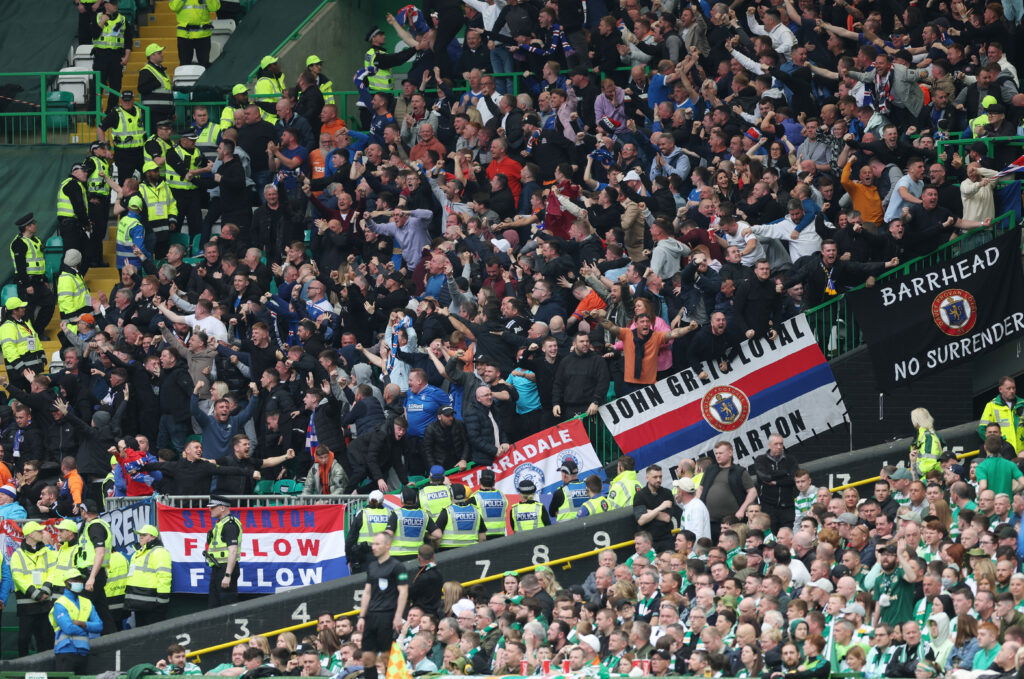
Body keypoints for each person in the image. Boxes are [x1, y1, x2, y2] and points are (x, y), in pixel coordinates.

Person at [356, 532, 409, 679]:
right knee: (367, 657)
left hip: (387, 614)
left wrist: (398, 616)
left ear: (388, 546)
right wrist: (362, 616)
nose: (374, 547)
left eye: (377, 544)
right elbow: (367, 592)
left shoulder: (398, 567)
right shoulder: (372, 566)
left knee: (386, 656)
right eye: (373, 544)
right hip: (371, 615)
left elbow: (403, 592)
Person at [11, 520, 54, 656]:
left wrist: (45, 590)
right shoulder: (18, 554)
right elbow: (17, 577)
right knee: (24, 639)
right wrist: (35, 593)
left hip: (44, 602)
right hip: (27, 604)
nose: (43, 533)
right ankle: (22, 669)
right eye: (39, 531)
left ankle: (47, 670)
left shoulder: (47, 552)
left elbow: (52, 571)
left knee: (45, 639)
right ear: (29, 534)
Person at [698, 441, 757, 539]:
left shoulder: (739, 471)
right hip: (710, 521)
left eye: (720, 453)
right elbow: (700, 488)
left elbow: (752, 492)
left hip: (731, 521)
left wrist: (742, 510)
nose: (717, 456)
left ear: (730, 453)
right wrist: (698, 505)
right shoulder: (710, 470)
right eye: (716, 453)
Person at [9, 214, 55, 340]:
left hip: (39, 281)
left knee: (50, 303)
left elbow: (41, 262)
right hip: (27, 282)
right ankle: (29, 335)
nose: (36, 225)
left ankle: (38, 331)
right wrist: (27, 285)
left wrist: (44, 279)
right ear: (27, 227)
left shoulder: (36, 240)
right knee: (27, 311)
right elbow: (20, 266)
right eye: (33, 224)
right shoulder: (18, 243)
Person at [50, 573, 103, 673]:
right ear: (66, 583)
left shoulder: (87, 602)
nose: (78, 583)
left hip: (83, 652)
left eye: (80, 581)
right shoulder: (60, 603)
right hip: (65, 652)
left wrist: (83, 624)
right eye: (75, 580)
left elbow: (99, 626)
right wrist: (87, 630)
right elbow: (68, 628)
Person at [124, 524, 172, 627]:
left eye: (144, 535)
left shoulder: (159, 552)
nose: (140, 537)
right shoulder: (138, 553)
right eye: (140, 534)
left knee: (154, 634)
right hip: (138, 603)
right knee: (141, 634)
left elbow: (164, 577)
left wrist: (162, 600)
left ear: (153, 537)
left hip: (152, 603)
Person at [92, 0, 134, 111]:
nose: (116, 5)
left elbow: (128, 40)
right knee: (97, 87)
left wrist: (127, 57)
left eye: (116, 3)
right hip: (101, 55)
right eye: (113, 3)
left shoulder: (123, 19)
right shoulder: (97, 17)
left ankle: (111, 112)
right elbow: (93, 35)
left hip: (116, 56)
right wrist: (102, 22)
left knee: (115, 87)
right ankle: (93, 114)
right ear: (106, 4)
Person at [754, 434, 798, 532]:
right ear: (769, 445)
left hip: (787, 506)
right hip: (768, 506)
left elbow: (793, 479)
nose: (779, 447)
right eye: (776, 444)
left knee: (788, 534)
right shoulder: (760, 460)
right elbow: (764, 477)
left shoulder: (790, 460)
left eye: (781, 444)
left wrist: (776, 482)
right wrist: (784, 473)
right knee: (771, 535)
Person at [98, 90, 146, 181]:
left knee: (145, 181)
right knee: (125, 183)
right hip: (123, 154)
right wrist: (105, 148)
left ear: (133, 100)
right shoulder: (115, 113)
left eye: (129, 100)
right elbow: (100, 128)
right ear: (121, 100)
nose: (127, 103)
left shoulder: (140, 111)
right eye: (125, 100)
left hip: (140, 152)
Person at [205, 494, 243, 608]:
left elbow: (233, 550)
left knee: (227, 605)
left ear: (222, 508)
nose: (209, 510)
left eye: (212, 507)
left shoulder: (229, 525)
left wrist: (227, 575)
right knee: (214, 605)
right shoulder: (220, 524)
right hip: (218, 568)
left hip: (225, 569)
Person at [346, 490, 395, 573]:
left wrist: (349, 556)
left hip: (366, 555)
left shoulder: (362, 513)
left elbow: (351, 537)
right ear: (382, 502)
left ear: (369, 500)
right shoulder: (389, 513)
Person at [633, 464, 680, 550]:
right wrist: (660, 508)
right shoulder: (640, 495)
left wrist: (649, 512)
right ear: (647, 478)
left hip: (666, 539)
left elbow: (666, 518)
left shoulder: (667, 493)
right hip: (647, 542)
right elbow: (641, 520)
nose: (658, 480)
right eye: (655, 477)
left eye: (660, 477)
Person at [389, 486, 441, 559]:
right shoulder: (424, 515)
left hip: (397, 555)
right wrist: (427, 537)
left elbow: (389, 534)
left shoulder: (396, 514)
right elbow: (438, 535)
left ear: (402, 500)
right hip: (418, 555)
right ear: (416, 499)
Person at [56, 163, 92, 263]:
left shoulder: (71, 183)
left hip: (71, 225)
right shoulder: (73, 184)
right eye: (83, 171)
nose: (86, 173)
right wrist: (86, 223)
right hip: (71, 225)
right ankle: (65, 277)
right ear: (75, 172)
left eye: (87, 171)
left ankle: (73, 276)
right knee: (72, 255)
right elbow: (79, 207)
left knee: (77, 254)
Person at [978, 377, 1024, 453]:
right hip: (1003, 452)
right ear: (1000, 389)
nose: (1012, 391)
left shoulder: (1022, 404)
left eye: (1013, 388)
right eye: (1008, 388)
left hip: (1022, 452)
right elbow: (982, 430)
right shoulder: (991, 406)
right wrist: (996, 445)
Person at [435, 482, 486, 550]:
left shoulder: (447, 512)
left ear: (451, 495)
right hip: (471, 550)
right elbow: (482, 538)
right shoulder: (476, 511)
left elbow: (437, 536)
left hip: (448, 551)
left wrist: (436, 549)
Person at [169, 0, 219, 67]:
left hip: (203, 34)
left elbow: (215, 7)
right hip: (185, 34)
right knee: (184, 65)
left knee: (204, 65)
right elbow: (174, 7)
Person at [138, 44, 174, 131]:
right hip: (153, 113)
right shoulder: (146, 70)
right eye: (159, 53)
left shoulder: (163, 71)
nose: (162, 54)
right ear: (152, 55)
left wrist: (172, 111)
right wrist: (155, 83)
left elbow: (168, 92)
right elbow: (141, 89)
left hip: (165, 112)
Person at [469, 468, 509, 539]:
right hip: (500, 534)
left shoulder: (475, 497)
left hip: (483, 535)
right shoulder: (502, 496)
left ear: (480, 481)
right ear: (493, 482)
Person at [549, 458, 588, 522]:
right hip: (587, 526)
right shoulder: (588, 487)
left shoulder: (560, 492)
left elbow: (552, 513)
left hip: (567, 529)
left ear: (564, 475)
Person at [673, 477, 711, 541]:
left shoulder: (696, 507)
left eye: (677, 490)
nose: (676, 494)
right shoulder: (690, 505)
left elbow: (697, 535)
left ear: (681, 492)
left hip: (697, 550)